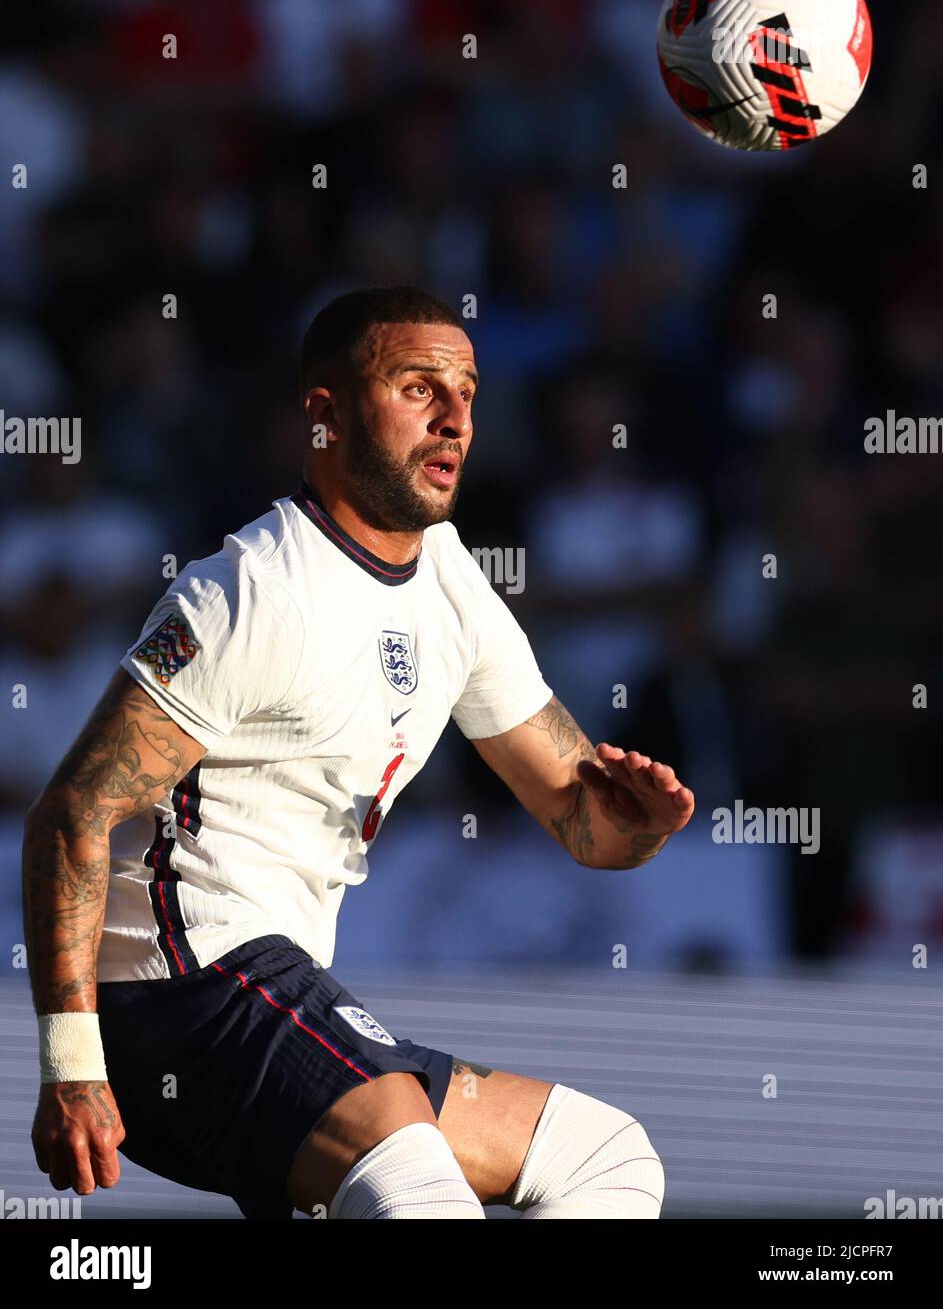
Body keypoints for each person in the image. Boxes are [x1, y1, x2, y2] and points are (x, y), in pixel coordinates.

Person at [22, 285, 695, 1220]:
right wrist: (70, 1067)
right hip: (177, 995)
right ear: (326, 416)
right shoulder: (249, 591)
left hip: (279, 994)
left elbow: (584, 825)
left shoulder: (453, 584)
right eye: (419, 388)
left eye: (466, 390)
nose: (456, 417)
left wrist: (642, 828)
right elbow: (72, 811)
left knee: (607, 1162)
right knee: (419, 1192)